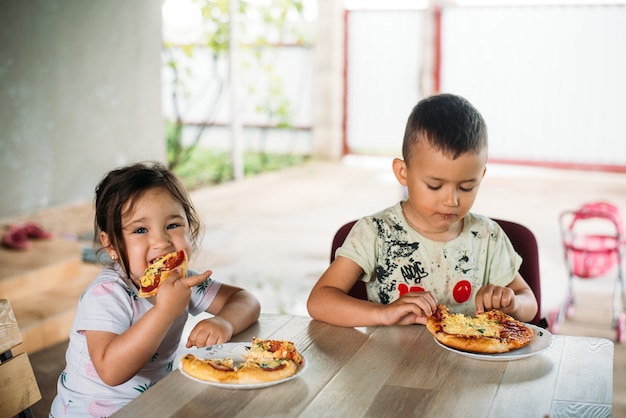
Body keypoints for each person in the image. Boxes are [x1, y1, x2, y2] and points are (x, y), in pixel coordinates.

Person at [307, 93, 538, 327]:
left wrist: (512, 303)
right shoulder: (375, 233)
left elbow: (529, 302)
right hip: (390, 362)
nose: (451, 200)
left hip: (468, 362)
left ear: (481, 176)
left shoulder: (487, 236)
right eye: (434, 186)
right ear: (403, 172)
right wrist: (384, 314)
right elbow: (319, 301)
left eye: (467, 187)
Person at [50, 161, 261, 417]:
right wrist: (164, 312)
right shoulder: (106, 294)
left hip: (152, 407)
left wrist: (224, 322)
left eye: (173, 225)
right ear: (111, 246)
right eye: (140, 230)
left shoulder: (183, 283)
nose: (161, 242)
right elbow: (111, 371)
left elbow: (245, 300)